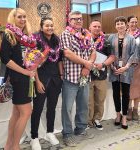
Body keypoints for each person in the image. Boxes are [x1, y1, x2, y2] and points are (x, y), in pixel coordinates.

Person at [0, 8, 35, 150]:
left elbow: (29, 57)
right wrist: (25, 72)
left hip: (25, 78)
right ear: (13, 18)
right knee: (26, 112)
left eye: (24, 17)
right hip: (17, 78)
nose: (23, 19)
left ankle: (9, 145)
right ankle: (15, 146)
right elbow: (5, 59)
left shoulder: (26, 36)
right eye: (19, 17)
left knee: (16, 113)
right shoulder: (9, 35)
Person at [60, 11, 96, 147]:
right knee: (67, 108)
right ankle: (67, 134)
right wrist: (86, 63)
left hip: (85, 76)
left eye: (80, 19)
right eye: (74, 19)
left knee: (83, 106)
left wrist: (88, 66)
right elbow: (68, 53)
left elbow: (93, 51)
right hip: (71, 77)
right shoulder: (65, 34)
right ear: (69, 21)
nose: (78, 21)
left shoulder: (87, 34)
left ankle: (80, 129)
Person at [30, 17, 62, 150]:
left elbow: (59, 59)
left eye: (51, 25)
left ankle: (49, 132)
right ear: (41, 27)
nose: (50, 28)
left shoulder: (56, 40)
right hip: (41, 79)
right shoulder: (36, 40)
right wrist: (37, 81)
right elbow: (33, 63)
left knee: (51, 108)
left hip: (55, 80)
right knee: (37, 109)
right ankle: (34, 137)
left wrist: (61, 75)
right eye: (47, 25)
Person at [108, 16, 137, 129]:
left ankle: (124, 117)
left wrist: (126, 67)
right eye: (117, 23)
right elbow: (108, 53)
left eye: (122, 23)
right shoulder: (111, 38)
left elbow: (134, 54)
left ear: (126, 25)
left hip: (126, 70)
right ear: (115, 26)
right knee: (115, 93)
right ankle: (118, 115)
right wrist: (111, 66)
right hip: (114, 69)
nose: (120, 25)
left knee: (126, 94)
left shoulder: (131, 39)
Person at [88, 20, 115, 130]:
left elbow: (112, 57)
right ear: (90, 27)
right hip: (87, 75)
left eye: (99, 26)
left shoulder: (106, 41)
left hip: (101, 75)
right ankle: (88, 122)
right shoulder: (84, 40)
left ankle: (97, 119)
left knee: (100, 99)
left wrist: (102, 64)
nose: (97, 28)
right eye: (94, 26)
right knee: (89, 101)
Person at [127, 15, 140, 121]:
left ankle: (135, 110)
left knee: (137, 88)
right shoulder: (124, 34)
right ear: (128, 23)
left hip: (138, 65)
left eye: (136, 22)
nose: (134, 24)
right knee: (127, 88)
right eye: (132, 22)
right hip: (127, 66)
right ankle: (128, 110)